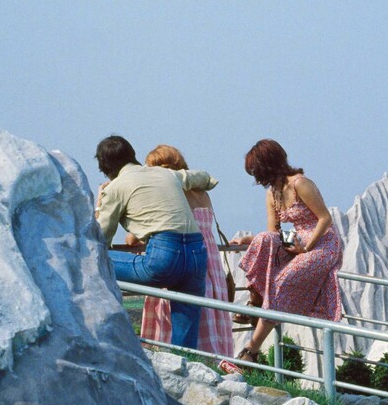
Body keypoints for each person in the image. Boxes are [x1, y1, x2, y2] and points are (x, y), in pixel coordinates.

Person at [94, 135, 215, 349]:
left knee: (94, 258)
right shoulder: (165, 174)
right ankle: (186, 371)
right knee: (185, 341)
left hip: (164, 257)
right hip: (197, 253)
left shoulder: (116, 187)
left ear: (106, 168)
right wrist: (209, 182)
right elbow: (200, 176)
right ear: (133, 156)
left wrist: (99, 202)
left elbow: (99, 240)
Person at [230, 139, 343, 363]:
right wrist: (249, 239)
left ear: (268, 164)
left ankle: (251, 351)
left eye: (256, 170)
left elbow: (325, 218)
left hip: (323, 242)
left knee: (281, 282)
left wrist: (307, 247)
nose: (256, 177)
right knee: (263, 238)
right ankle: (255, 300)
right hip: (297, 239)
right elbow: (273, 233)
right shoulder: (272, 194)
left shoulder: (300, 183)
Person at [136, 144, 234, 357]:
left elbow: (133, 237)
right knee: (207, 315)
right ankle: (214, 360)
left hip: (180, 258)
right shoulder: (201, 193)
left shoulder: (168, 193)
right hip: (208, 263)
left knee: (177, 314)